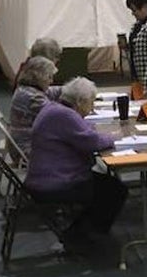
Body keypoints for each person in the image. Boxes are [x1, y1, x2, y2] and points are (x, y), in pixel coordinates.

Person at [25, 77, 129, 245]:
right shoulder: (65, 115)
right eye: (91, 103)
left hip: (44, 175)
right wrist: (113, 137)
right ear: (80, 102)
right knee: (115, 190)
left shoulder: (55, 107)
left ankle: (83, 230)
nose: (92, 108)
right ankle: (81, 235)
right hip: (55, 182)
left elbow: (83, 132)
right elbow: (92, 142)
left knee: (109, 185)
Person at [7, 56, 60, 160]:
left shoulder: (24, 90)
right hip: (27, 150)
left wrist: (72, 89)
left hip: (21, 144)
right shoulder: (33, 97)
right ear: (40, 77)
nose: (51, 81)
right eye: (49, 77)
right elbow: (58, 115)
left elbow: (52, 91)